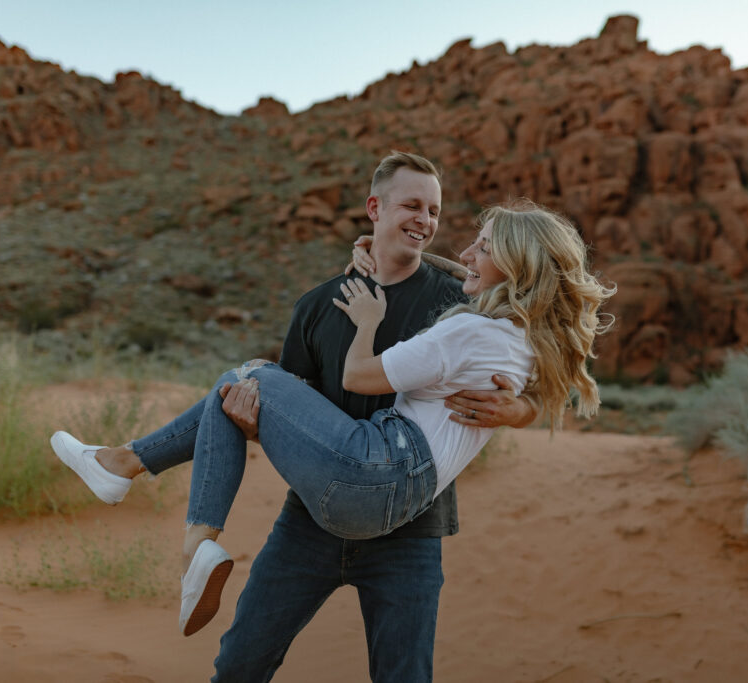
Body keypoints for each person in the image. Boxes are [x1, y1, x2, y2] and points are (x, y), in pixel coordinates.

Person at [51, 152, 542, 683]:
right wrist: (248, 421)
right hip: (311, 520)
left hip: (411, 530)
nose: (425, 220)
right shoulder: (318, 305)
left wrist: (518, 411)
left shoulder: (458, 303)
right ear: (374, 208)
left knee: (405, 676)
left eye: (435, 210)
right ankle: (139, 482)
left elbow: (535, 371)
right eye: (412, 206)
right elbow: (294, 409)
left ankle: (133, 473)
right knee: (239, 665)